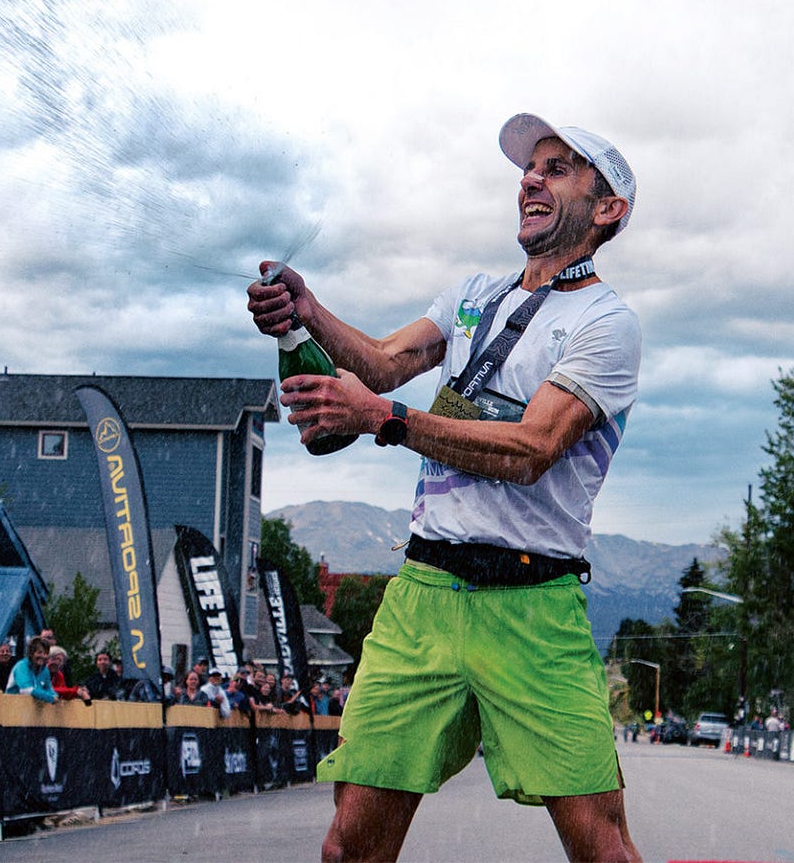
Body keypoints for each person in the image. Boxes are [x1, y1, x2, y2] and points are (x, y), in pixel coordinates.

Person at [248, 112, 640, 863]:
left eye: (559, 170)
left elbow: (532, 450)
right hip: (423, 594)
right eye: (531, 168)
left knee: (601, 847)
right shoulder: (472, 295)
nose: (531, 177)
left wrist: (383, 419)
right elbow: (383, 365)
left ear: (607, 209)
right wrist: (309, 312)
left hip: (533, 607)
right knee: (349, 846)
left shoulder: (606, 322)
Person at [5, 637, 57, 703]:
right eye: (39, 652)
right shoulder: (21, 666)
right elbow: (26, 690)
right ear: (31, 653)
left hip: (32, 709)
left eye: (45, 653)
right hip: (12, 706)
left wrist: (55, 696)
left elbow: (49, 689)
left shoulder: (45, 670)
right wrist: (50, 698)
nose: (43, 656)